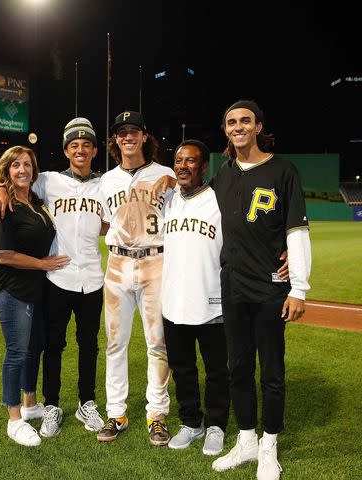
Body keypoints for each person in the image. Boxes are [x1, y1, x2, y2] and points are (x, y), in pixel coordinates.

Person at [208, 100, 311, 479]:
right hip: (232, 285)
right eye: (231, 121)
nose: (238, 127)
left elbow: (297, 231)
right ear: (226, 129)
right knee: (237, 367)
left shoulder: (283, 170)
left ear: (258, 126)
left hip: (270, 288)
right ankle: (247, 439)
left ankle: (270, 445)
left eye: (245, 121)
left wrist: (298, 287)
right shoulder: (223, 174)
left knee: (271, 371)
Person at [0, 118, 107, 438]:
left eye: (86, 145)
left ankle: (87, 402)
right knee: (53, 345)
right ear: (66, 150)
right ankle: (52, 406)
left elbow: (110, 221)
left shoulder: (106, 184)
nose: (80, 150)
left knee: (89, 345)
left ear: (94, 150)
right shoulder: (50, 180)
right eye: (74, 145)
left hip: (93, 278)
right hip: (58, 277)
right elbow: (18, 178)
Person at [96, 111, 175, 446]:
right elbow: (102, 222)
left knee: (158, 343)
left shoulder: (166, 173)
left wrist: (171, 181)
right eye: (120, 132)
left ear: (145, 137)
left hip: (156, 264)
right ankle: (116, 413)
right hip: (116, 264)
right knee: (115, 344)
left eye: (133, 131)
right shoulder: (107, 180)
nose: (127, 136)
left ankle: (156, 414)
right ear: (115, 140)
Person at [0, 145, 70, 447]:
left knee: (34, 348)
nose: (23, 170)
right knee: (17, 352)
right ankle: (14, 419)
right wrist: (43, 264)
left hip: (37, 290)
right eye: (15, 165)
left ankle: (30, 403)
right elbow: (3, 256)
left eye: (28, 165)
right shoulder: (1, 204)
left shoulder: (35, 201)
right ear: (6, 170)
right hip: (12, 289)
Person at [161, 140, 229, 456]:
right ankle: (191, 423)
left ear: (203, 167)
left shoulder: (218, 198)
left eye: (191, 161)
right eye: (178, 161)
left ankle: (215, 425)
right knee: (183, 368)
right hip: (173, 301)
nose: (183, 166)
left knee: (216, 370)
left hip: (212, 300)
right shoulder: (168, 200)